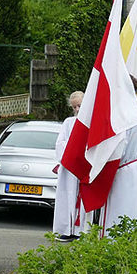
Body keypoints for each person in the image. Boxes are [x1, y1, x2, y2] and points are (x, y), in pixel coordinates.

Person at [101, 76, 137, 235]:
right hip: (135, 168)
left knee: (118, 211)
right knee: (133, 211)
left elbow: (117, 148)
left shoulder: (120, 117)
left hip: (120, 170)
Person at [52, 90, 85, 241]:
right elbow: (60, 143)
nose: (77, 110)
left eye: (80, 105)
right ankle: (67, 229)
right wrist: (72, 151)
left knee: (82, 200)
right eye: (74, 107)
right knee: (67, 198)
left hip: (84, 168)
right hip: (69, 168)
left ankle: (81, 231)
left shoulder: (91, 123)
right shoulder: (68, 122)